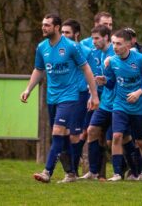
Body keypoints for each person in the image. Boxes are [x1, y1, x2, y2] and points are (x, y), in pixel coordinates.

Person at [20, 14, 99, 183]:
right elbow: (39, 70)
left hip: (70, 96)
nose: (43, 27)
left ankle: (47, 172)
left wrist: (94, 95)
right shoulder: (42, 47)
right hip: (52, 97)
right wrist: (28, 89)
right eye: (43, 24)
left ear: (56, 27)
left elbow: (86, 69)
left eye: (47, 25)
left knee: (57, 132)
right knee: (63, 137)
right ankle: (70, 173)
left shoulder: (71, 47)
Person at [103, 29, 142, 182]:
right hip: (120, 105)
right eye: (113, 43)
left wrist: (139, 92)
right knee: (117, 136)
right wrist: (104, 81)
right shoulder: (111, 62)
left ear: (127, 44)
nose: (115, 46)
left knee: (141, 142)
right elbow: (111, 84)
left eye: (118, 43)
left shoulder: (140, 60)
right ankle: (117, 173)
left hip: (139, 108)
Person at [60, 18, 95, 176]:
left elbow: (92, 74)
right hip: (62, 96)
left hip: (80, 96)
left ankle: (71, 170)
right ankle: (70, 168)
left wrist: (92, 95)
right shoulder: (58, 51)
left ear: (76, 34)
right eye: (62, 32)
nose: (64, 35)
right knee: (62, 133)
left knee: (75, 133)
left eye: (67, 32)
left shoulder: (86, 52)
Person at [80, 25, 115, 180]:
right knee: (92, 130)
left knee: (116, 139)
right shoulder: (100, 54)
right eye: (92, 38)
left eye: (96, 38)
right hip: (105, 102)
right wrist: (93, 96)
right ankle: (93, 172)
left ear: (106, 38)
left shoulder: (114, 52)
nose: (93, 42)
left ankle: (130, 171)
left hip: (119, 104)